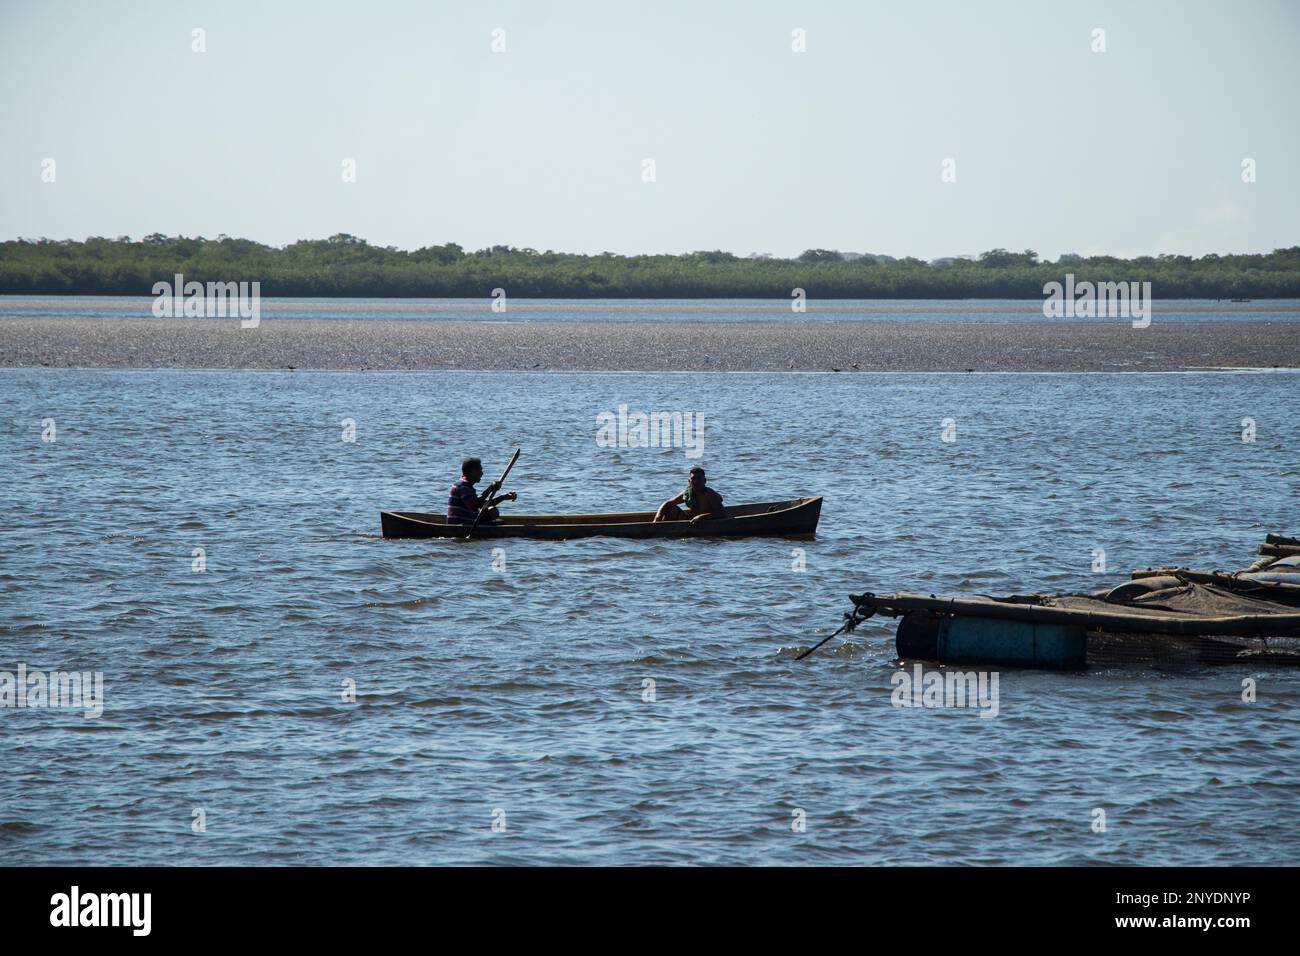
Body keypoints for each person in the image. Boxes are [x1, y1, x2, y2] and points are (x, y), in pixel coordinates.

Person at [447, 456, 517, 525]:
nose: (482, 473)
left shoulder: (467, 486)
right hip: (461, 523)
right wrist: (490, 488)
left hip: (468, 521)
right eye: (480, 470)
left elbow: (482, 504)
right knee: (498, 520)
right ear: (473, 471)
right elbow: (473, 505)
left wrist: (503, 497)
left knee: (491, 510)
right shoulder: (462, 486)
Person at [654, 466, 724, 524]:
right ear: (689, 482)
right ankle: (664, 534)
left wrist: (701, 517)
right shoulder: (688, 493)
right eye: (693, 478)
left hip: (708, 522)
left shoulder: (710, 494)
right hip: (692, 521)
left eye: (699, 478)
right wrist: (657, 519)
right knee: (671, 509)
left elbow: (722, 513)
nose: (696, 481)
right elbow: (666, 503)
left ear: (704, 481)